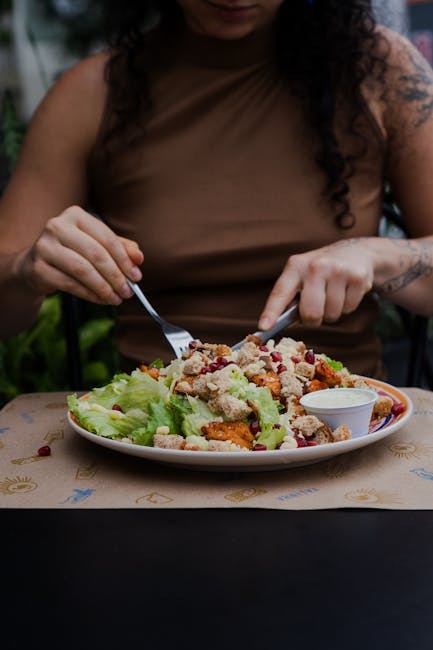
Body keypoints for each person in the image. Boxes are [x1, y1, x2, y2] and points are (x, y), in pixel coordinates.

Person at [0, 0, 432, 379]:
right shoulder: (92, 93)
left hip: (345, 423)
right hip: (155, 433)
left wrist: (378, 256)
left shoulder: (378, 69)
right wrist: (26, 269)